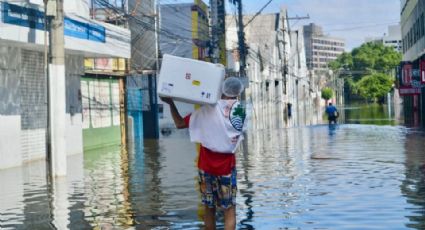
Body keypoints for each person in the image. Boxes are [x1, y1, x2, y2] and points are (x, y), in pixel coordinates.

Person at [160, 77, 246, 230]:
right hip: (227, 168)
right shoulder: (241, 111)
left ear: (222, 90)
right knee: (229, 209)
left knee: (209, 208)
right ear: (238, 92)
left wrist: (171, 103)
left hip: (206, 168)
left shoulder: (207, 109)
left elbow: (179, 123)